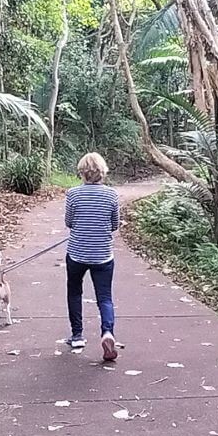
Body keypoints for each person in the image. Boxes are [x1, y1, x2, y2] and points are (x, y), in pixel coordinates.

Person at [64, 152, 120, 361]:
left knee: (74, 292)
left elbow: (69, 222)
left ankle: (77, 335)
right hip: (103, 255)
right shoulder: (111, 195)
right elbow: (115, 225)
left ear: (82, 173)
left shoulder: (73, 194)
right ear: (102, 172)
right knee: (104, 297)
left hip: (77, 253)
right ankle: (107, 332)